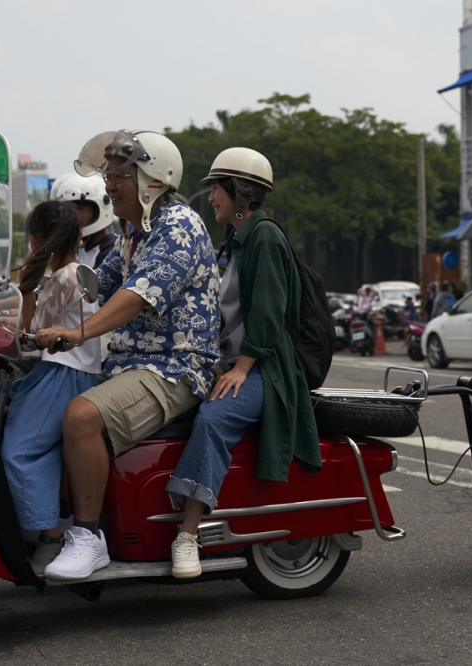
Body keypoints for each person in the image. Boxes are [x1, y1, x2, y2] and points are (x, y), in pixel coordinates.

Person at [33, 129, 219, 581]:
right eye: (109, 175)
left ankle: (88, 537)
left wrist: (76, 333)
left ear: (153, 178)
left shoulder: (179, 227)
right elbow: (96, 287)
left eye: (120, 175)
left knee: (80, 416)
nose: (110, 184)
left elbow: (134, 297)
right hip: (128, 363)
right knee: (39, 401)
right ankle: (48, 525)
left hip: (175, 367)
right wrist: (25, 298)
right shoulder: (133, 234)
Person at [163, 148, 320, 578]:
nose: (211, 196)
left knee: (214, 418)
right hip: (230, 361)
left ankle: (187, 536)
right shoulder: (233, 241)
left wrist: (242, 368)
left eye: (216, 187)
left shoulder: (264, 236)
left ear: (240, 191)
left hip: (267, 367)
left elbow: (269, 315)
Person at [0, 202, 102, 575]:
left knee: (20, 450)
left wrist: (26, 283)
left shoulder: (62, 278)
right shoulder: (78, 272)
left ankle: (49, 534)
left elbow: (28, 332)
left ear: (36, 240)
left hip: (65, 373)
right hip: (69, 371)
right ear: (78, 235)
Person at [50, 172, 117, 270]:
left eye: (80, 208)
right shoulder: (80, 250)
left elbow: (93, 284)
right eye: (68, 209)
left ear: (98, 210)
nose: (73, 215)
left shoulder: (112, 248)